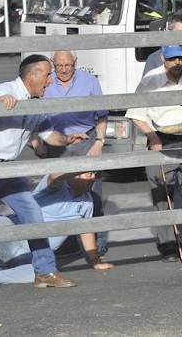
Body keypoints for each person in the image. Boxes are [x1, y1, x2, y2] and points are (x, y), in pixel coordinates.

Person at [0, 54, 89, 288]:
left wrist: (67, 139)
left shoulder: (37, 104)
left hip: (10, 168)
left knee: (33, 214)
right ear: (32, 76)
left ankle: (45, 271)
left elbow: (49, 136)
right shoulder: (6, 90)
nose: (50, 82)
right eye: (48, 76)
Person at [0, 172, 115, 285]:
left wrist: (95, 262)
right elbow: (54, 177)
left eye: (96, 175)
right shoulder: (56, 187)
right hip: (12, 239)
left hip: (38, 255)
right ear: (75, 174)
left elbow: (86, 230)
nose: (94, 179)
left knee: (38, 273)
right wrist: (80, 167)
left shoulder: (88, 200)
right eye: (89, 174)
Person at [32, 50, 109, 257]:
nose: (64, 70)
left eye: (68, 65)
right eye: (59, 66)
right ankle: (64, 243)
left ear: (76, 62)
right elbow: (33, 114)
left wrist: (99, 142)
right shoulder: (46, 82)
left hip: (85, 141)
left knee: (92, 194)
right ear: (53, 65)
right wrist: (36, 141)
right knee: (58, 196)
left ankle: (97, 246)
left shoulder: (89, 81)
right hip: (56, 143)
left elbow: (102, 115)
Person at [125, 45, 182, 262]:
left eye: (180, 59)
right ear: (163, 57)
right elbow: (136, 114)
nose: (177, 63)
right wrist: (153, 137)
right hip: (162, 139)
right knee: (162, 194)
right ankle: (167, 244)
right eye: (173, 59)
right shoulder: (151, 80)